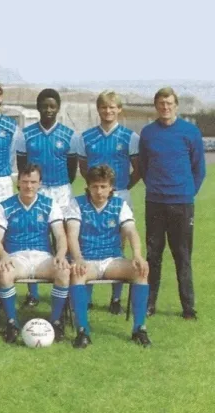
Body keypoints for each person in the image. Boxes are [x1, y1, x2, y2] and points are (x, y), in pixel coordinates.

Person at [65, 164, 151, 348]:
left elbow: (131, 232)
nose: (99, 191)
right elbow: (71, 235)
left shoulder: (120, 205)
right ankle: (83, 331)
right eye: (95, 186)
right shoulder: (76, 204)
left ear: (111, 187)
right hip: (87, 260)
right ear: (88, 186)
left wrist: (137, 255)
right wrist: (78, 257)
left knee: (141, 271)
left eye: (103, 186)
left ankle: (139, 329)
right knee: (76, 273)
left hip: (112, 260)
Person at [139, 87, 206, 320]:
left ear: (176, 105)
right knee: (153, 255)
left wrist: (186, 193)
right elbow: (144, 167)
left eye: (169, 103)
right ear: (156, 106)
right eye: (161, 103)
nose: (165, 107)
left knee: (182, 255)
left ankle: (188, 308)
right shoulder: (147, 133)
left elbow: (199, 169)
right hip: (155, 202)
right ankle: (149, 304)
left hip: (182, 204)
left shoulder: (190, 132)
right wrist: (157, 189)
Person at [77, 90, 141, 314]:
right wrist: (96, 188)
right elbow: (83, 168)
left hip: (119, 194)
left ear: (119, 109)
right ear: (98, 110)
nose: (108, 111)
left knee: (117, 247)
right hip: (94, 194)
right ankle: (87, 294)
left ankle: (116, 298)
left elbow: (138, 168)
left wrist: (120, 189)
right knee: (90, 240)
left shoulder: (130, 137)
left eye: (112, 107)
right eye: (104, 107)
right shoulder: (85, 137)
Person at [16, 88, 79, 307]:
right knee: (33, 235)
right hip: (37, 189)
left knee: (62, 238)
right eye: (44, 105)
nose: (48, 110)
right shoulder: (25, 134)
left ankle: (64, 287)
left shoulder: (70, 135)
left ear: (58, 108)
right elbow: (22, 165)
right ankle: (32, 292)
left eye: (52, 106)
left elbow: (72, 170)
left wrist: (60, 185)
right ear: (38, 107)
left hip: (61, 189)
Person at [0, 164, 70, 344]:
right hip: (16, 256)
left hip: (42, 257)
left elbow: (60, 234)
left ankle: (56, 321)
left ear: (40, 183)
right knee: (4, 274)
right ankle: (12, 322)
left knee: (64, 272)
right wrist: (3, 255)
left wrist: (60, 253)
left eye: (33, 182)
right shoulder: (5, 206)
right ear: (18, 182)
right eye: (25, 182)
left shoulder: (50, 204)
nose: (29, 186)